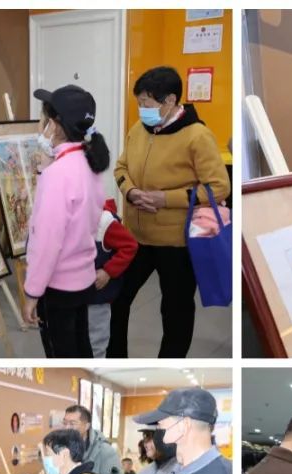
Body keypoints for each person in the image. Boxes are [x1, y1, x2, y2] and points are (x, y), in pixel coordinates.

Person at [108, 66, 231, 359]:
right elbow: (121, 167)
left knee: (175, 311)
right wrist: (130, 191)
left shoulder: (197, 136)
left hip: (177, 243)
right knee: (117, 298)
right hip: (136, 238)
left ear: (171, 100)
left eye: (147, 103)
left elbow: (219, 187)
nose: (142, 110)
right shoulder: (138, 130)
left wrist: (166, 199)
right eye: (139, 103)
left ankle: (169, 366)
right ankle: (115, 357)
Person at [22, 85, 109, 358]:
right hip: (82, 278)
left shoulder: (58, 175)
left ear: (55, 125)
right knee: (80, 347)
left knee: (61, 356)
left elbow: (47, 242)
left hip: (57, 285)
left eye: (44, 119)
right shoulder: (89, 163)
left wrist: (32, 292)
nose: (41, 125)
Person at [89, 197, 139, 358]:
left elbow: (130, 246)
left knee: (96, 344)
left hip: (97, 299)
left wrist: (108, 271)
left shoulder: (104, 221)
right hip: (76, 297)